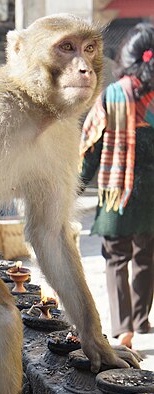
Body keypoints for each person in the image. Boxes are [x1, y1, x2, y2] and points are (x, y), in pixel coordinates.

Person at [80, 23, 154, 349]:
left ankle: (123, 327)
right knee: (147, 256)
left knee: (116, 257)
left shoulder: (113, 94)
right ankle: (141, 317)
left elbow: (92, 142)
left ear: (126, 56)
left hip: (117, 189)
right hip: (150, 193)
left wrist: (79, 181)